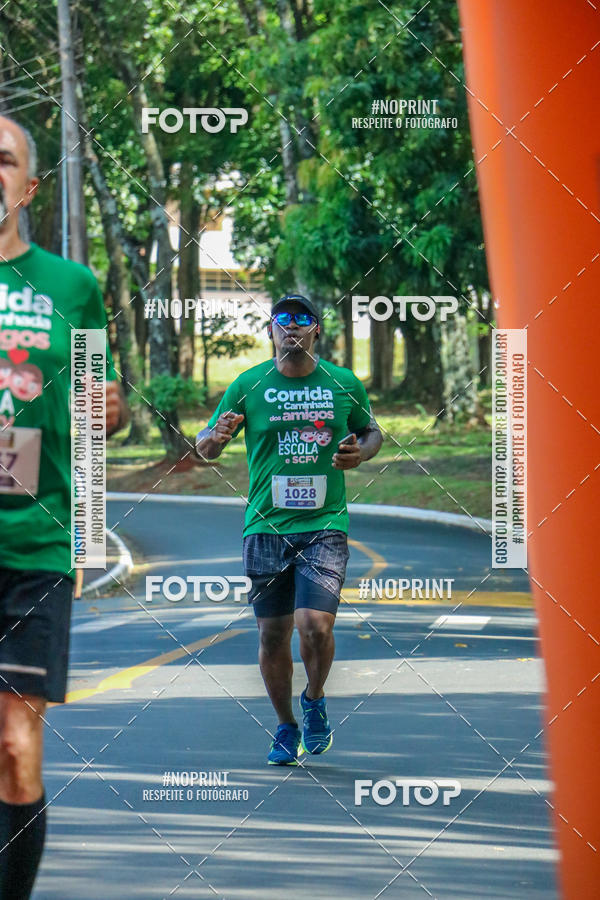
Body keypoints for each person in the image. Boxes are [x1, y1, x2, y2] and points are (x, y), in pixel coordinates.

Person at [0, 116, 128, 899]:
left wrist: (102, 403)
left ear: (29, 185)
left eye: (2, 160)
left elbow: (99, 409)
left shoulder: (70, 287)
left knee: (17, 749)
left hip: (34, 548)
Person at [195, 293, 382, 765]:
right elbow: (206, 447)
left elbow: (371, 431)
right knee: (272, 635)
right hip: (264, 527)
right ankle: (284, 726)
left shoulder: (341, 383)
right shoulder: (248, 384)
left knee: (314, 626)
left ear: (316, 330)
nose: (292, 328)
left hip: (324, 524)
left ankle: (314, 700)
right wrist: (214, 439)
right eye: (283, 321)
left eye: (303, 320)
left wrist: (361, 453)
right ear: (271, 332)